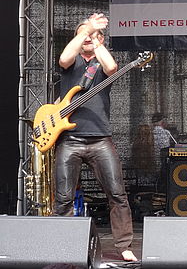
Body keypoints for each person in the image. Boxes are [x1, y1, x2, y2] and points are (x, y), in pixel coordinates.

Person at [54, 13, 137, 262]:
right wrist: (86, 29)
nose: (88, 37)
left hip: (101, 138)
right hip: (70, 138)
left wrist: (96, 39)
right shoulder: (71, 62)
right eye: (84, 33)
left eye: (93, 34)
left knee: (117, 194)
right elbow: (64, 58)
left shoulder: (101, 63)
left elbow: (112, 68)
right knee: (64, 197)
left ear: (100, 39)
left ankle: (124, 246)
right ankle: (64, 246)